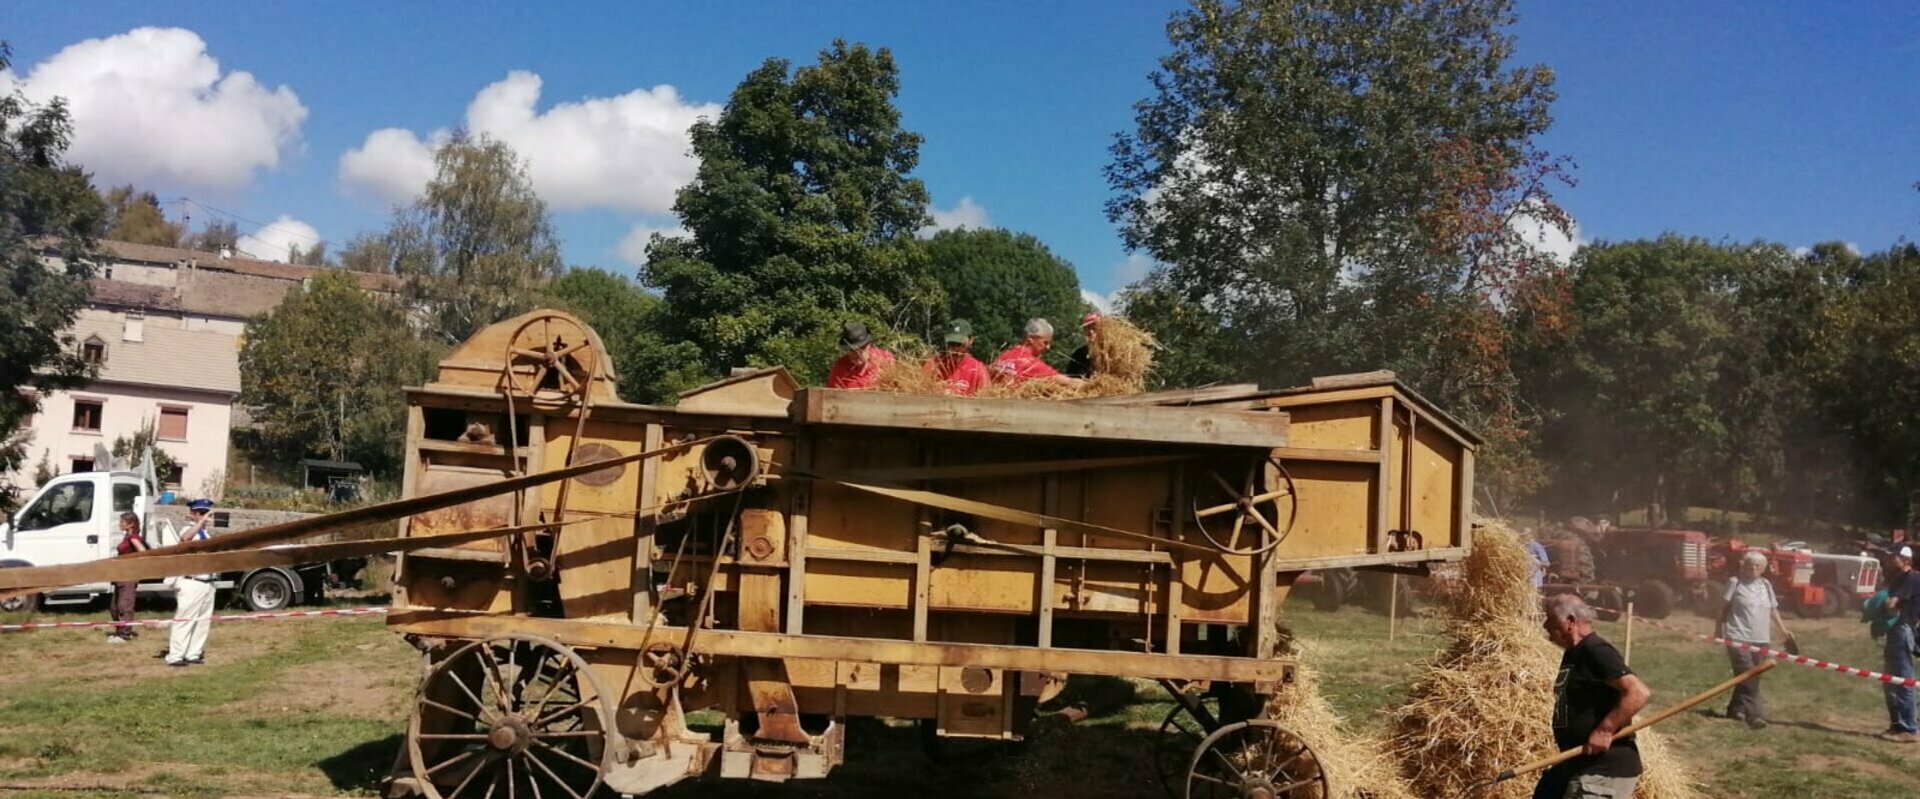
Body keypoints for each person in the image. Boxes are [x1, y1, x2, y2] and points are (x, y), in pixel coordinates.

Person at [1536, 593, 1652, 799]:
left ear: (1570, 621)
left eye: (1551, 620)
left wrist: (1605, 730)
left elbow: (1638, 692)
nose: (1546, 626)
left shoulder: (1596, 650)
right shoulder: (1574, 653)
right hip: (1577, 763)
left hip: (1604, 770)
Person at [1717, 550, 1792, 729]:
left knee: (1751, 676)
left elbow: (1773, 609)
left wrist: (1783, 630)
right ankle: (1755, 715)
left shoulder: (1766, 585)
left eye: (1758, 565)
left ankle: (1735, 709)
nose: (1753, 568)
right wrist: (1718, 631)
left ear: (1763, 569)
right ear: (1744, 566)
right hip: (1737, 636)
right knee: (1749, 674)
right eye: (1750, 564)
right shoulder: (1735, 583)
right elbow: (1722, 609)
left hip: (1761, 638)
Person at [165, 499, 217, 668]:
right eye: (200, 513)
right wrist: (200, 522)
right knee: (185, 619)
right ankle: (176, 655)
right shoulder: (188, 529)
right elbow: (185, 539)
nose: (204, 516)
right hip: (191, 581)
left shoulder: (207, 535)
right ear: (193, 514)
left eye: (206, 513)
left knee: (202, 621)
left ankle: (193, 653)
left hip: (208, 582)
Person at [1880, 546, 1920, 741]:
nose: (1888, 561)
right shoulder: (1897, 579)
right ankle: (1896, 726)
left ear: (1905, 559)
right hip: (1895, 631)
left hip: (1903, 631)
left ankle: (1909, 729)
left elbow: (1890, 604)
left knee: (1904, 680)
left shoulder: (1911, 578)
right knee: (1889, 682)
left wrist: (1880, 604)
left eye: (1892, 557)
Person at [989, 318, 1083, 387]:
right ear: (1030, 340)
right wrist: (1093, 385)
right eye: (1045, 342)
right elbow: (1069, 382)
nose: (1048, 347)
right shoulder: (1029, 364)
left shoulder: (1003, 356)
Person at [106, 511, 147, 644]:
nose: (119, 524)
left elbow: (144, 552)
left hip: (129, 575)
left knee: (125, 604)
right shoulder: (126, 537)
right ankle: (119, 632)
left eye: (122, 522)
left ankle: (125, 634)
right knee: (115, 606)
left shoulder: (133, 538)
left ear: (131, 524)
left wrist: (131, 562)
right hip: (120, 574)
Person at [923, 319, 990, 396]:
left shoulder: (978, 369)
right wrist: (932, 389)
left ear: (970, 340)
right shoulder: (933, 365)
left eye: (960, 344)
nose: (955, 349)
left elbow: (987, 399)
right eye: (952, 344)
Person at [826, 321, 894, 389]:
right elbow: (832, 396)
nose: (857, 353)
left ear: (869, 345)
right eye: (852, 350)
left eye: (861, 348)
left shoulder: (885, 359)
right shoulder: (840, 369)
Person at [1064, 313, 1100, 379]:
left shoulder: (1112, 353)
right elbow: (1070, 377)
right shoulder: (1078, 354)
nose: (1091, 331)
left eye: (1094, 327)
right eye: (1088, 327)